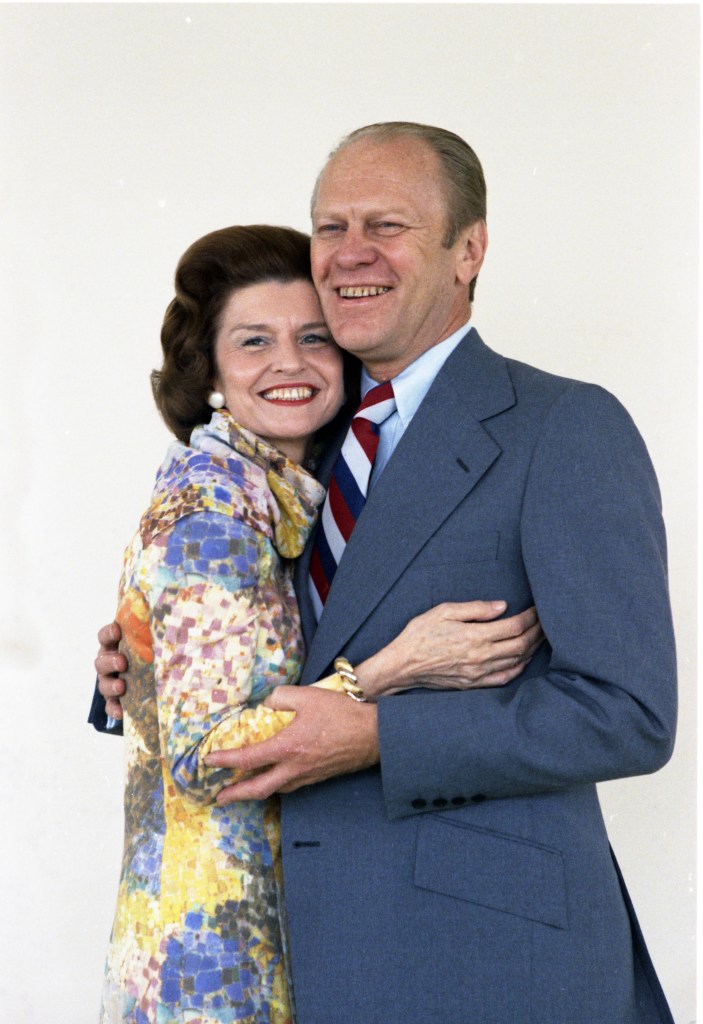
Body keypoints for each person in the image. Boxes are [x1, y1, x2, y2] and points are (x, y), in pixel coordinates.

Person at [96, 122, 677, 1023]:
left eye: (387, 225)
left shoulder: (561, 427)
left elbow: (627, 714)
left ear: (467, 251)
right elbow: (247, 646)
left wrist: (377, 736)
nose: (350, 252)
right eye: (331, 227)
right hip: (291, 957)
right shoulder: (293, 441)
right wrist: (143, 660)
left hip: (483, 960)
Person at [95, 221, 543, 1024]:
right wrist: (389, 671)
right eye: (253, 342)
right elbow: (207, 757)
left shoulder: (281, 489)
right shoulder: (215, 513)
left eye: (313, 337)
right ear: (208, 372)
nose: (290, 364)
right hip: (212, 960)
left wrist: (135, 667)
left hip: (265, 926)